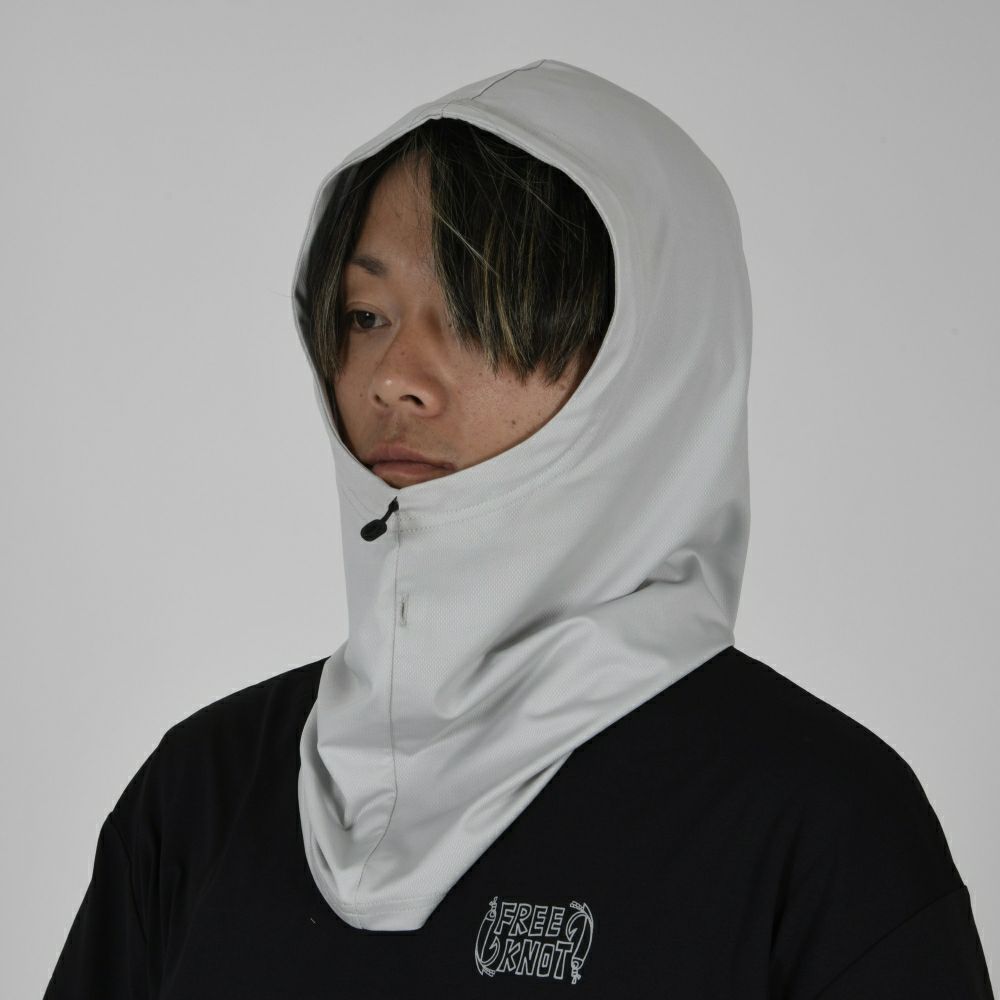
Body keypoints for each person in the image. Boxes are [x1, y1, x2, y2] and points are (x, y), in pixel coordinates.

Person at [43, 58, 994, 998]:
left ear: (647, 368)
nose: (393, 377)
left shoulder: (819, 827)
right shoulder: (200, 798)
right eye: (365, 315)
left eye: (476, 312)